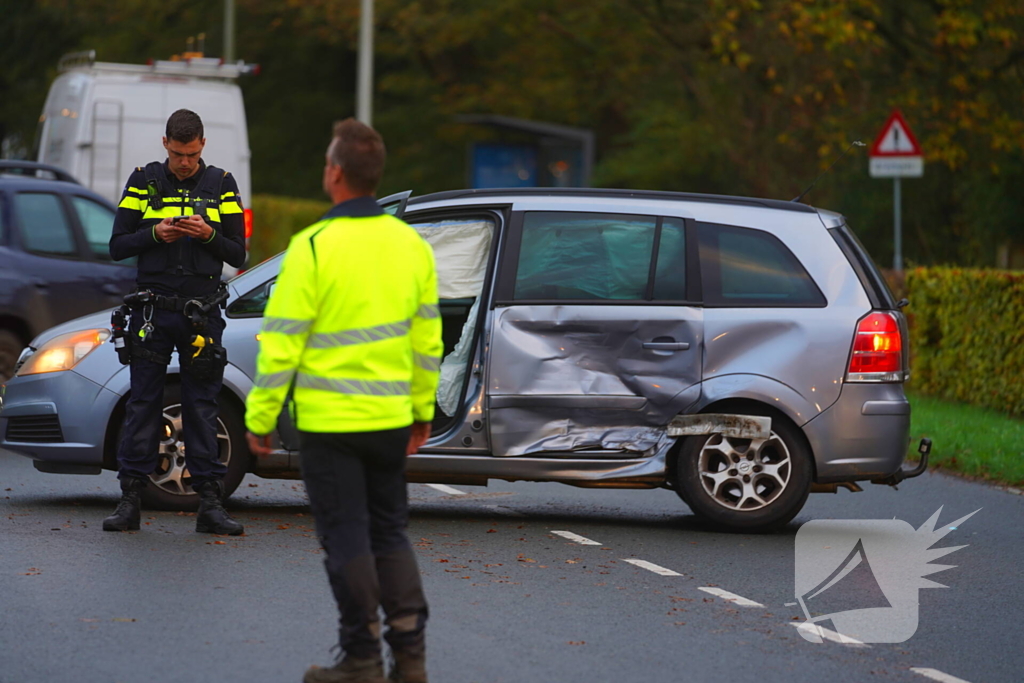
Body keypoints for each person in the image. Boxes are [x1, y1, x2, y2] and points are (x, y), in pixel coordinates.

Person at [245, 118, 442, 683]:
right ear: (374, 176)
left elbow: (282, 343)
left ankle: (361, 658)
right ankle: (411, 658)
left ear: (334, 174)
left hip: (329, 423)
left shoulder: (313, 247)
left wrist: (260, 418)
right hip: (388, 420)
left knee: (346, 535)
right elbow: (429, 339)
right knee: (390, 531)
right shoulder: (411, 246)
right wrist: (422, 409)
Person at [103, 109, 246, 536]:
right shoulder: (143, 181)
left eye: (191, 153)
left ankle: (210, 505)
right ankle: (130, 501)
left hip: (201, 314)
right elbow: (116, 245)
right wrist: (154, 235)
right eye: (178, 153)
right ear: (165, 142)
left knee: (202, 406)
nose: (184, 162)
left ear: (202, 144)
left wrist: (206, 235)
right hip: (152, 312)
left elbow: (238, 254)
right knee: (142, 403)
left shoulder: (221, 184)